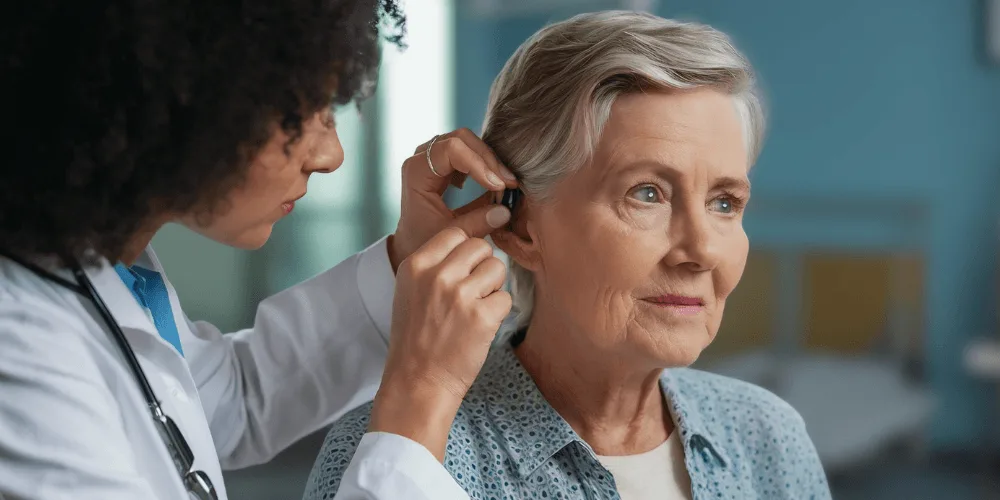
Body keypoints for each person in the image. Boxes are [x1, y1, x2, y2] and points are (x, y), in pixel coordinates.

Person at [305, 11, 832, 500]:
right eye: (647, 193)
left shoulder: (768, 439)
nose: (702, 251)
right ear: (521, 227)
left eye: (724, 203)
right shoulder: (396, 451)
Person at [0, 1, 517, 499]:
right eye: (303, 111)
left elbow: (229, 401)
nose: (331, 156)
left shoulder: (106, 270)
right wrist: (422, 392)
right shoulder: (21, 349)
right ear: (183, 93)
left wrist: (404, 260)